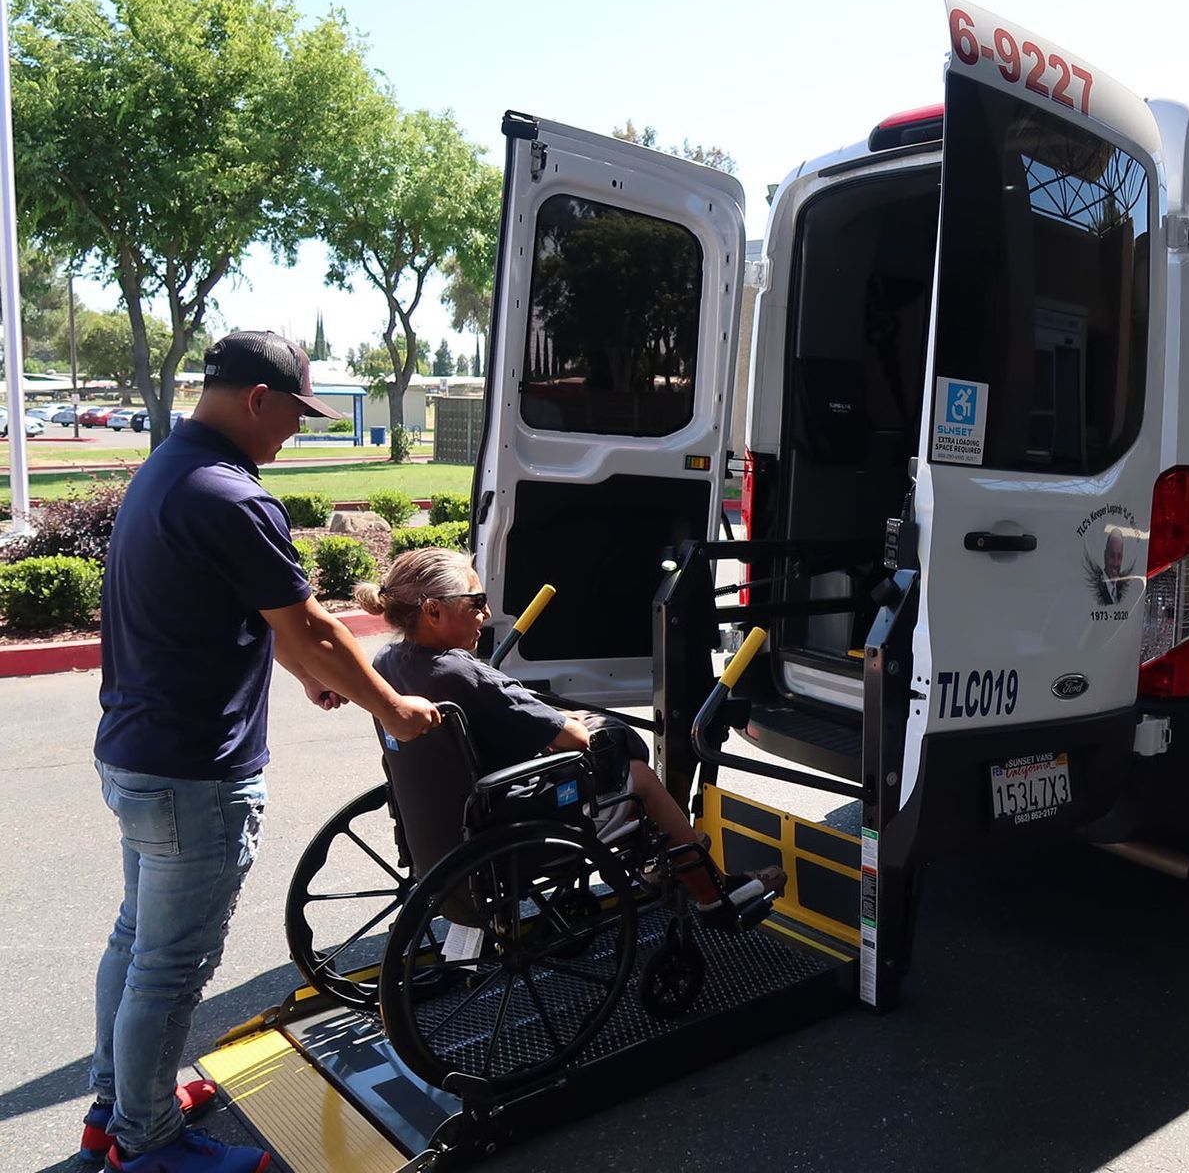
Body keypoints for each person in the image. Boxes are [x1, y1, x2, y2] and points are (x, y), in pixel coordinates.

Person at [84, 332, 442, 1173]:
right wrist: (392, 707)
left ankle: (117, 1104)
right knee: (169, 968)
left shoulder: (169, 471)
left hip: (136, 754)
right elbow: (311, 624)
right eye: (292, 415)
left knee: (136, 943)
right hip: (194, 773)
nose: (293, 433)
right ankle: (147, 1143)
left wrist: (315, 675)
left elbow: (259, 618)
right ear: (256, 399)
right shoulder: (231, 494)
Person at [354, 547, 787, 912]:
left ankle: (666, 855)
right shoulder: (463, 674)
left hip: (439, 828)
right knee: (636, 773)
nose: (486, 613)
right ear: (433, 611)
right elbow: (573, 739)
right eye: (476, 602)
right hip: (507, 825)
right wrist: (584, 723)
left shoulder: (386, 665)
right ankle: (713, 896)